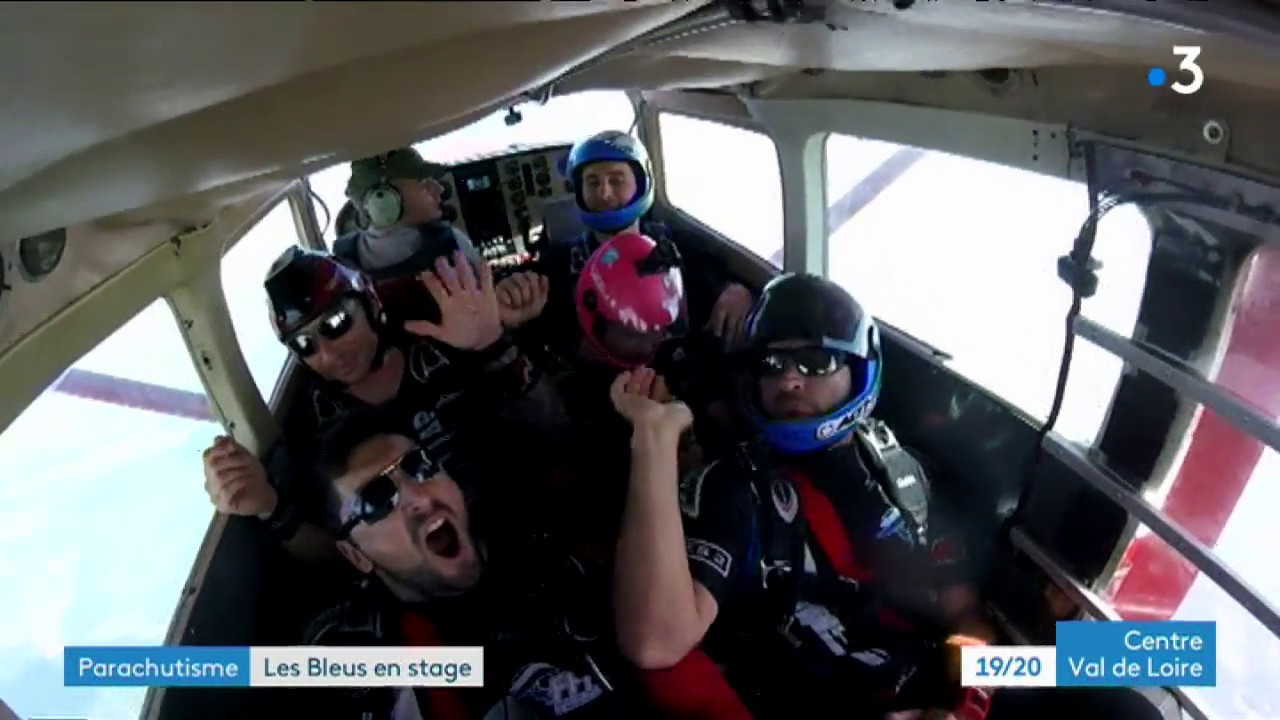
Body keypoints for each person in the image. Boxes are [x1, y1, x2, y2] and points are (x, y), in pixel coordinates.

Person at [609, 273, 997, 719]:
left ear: (858, 368)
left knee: (1070, 666)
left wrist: (971, 700)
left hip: (929, 683)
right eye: (773, 364)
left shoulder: (904, 472)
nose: (790, 380)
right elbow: (654, 644)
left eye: (816, 361)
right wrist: (655, 437)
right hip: (815, 700)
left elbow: (964, 615)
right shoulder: (735, 489)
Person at [202, 247, 542, 562]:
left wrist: (496, 338)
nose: (329, 354)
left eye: (336, 323)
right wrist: (269, 507)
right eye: (305, 345)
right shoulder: (314, 431)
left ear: (369, 303)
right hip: (435, 565)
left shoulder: (443, 335)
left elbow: (549, 429)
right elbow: (339, 555)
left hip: (526, 502)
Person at [302, 410, 647, 719]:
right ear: (356, 555)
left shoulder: (543, 524)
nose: (420, 497)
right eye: (375, 500)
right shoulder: (353, 656)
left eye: (418, 465)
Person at [507, 130, 753, 360]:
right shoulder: (560, 261)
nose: (604, 193)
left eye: (616, 180)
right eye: (592, 182)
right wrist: (512, 298)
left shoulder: (677, 246)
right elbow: (527, 317)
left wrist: (736, 290)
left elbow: (722, 280)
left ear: (641, 184)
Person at [335, 147, 483, 328]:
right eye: (425, 183)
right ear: (384, 198)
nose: (439, 188)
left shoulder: (340, 262)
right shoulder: (452, 243)